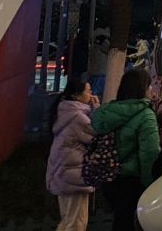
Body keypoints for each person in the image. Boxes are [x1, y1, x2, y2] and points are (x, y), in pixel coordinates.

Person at [90, 67, 161, 231]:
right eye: (149, 86)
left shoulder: (110, 111)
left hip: (110, 178)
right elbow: (149, 155)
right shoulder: (145, 115)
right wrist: (152, 185)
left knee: (120, 221)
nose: (151, 89)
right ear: (141, 89)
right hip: (133, 182)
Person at [46, 75, 97, 231]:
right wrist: (97, 108)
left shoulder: (64, 111)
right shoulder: (78, 117)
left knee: (68, 220)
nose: (91, 95)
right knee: (76, 224)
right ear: (77, 95)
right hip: (74, 175)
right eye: (88, 91)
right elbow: (96, 135)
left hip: (62, 172)